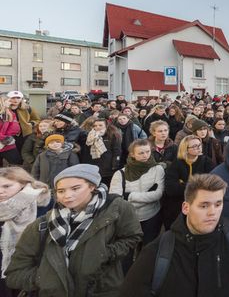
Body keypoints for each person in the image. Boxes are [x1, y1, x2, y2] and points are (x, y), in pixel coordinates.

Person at [5, 164, 143, 296]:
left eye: (75, 188)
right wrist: (46, 279)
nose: (67, 195)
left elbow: (132, 237)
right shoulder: (41, 225)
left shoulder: (118, 208)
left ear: (92, 186)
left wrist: (105, 254)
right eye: (61, 191)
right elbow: (15, 273)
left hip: (102, 289)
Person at [120, 173, 229, 296]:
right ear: (186, 208)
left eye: (218, 204)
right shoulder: (158, 252)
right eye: (204, 206)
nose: (213, 212)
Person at [0, 167, 50, 297]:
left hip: (29, 269)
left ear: (23, 183)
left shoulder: (42, 205)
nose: (1, 191)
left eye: (7, 186)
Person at [110, 139, 165, 246]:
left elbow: (158, 194)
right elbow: (116, 199)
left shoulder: (158, 169)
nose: (145, 155)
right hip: (128, 219)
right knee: (127, 252)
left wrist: (129, 196)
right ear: (132, 154)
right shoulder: (120, 173)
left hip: (151, 216)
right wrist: (148, 196)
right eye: (141, 153)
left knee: (147, 248)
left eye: (148, 152)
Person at [163, 135, 214, 229]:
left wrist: (183, 184)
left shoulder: (207, 162)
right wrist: (197, 185)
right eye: (194, 146)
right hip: (177, 207)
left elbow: (211, 184)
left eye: (199, 145)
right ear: (185, 149)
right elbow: (171, 189)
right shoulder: (176, 164)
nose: (199, 148)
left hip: (201, 204)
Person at [83, 118, 122, 186]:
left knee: (106, 185)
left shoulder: (113, 135)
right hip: (94, 164)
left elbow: (117, 151)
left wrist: (115, 164)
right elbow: (86, 151)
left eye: (100, 125)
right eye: (95, 125)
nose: (97, 127)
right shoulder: (90, 135)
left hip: (108, 165)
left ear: (106, 125)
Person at [0, 96, 23, 166]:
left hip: (7, 144)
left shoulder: (9, 113)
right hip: (6, 141)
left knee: (17, 164)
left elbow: (15, 128)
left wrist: (5, 139)